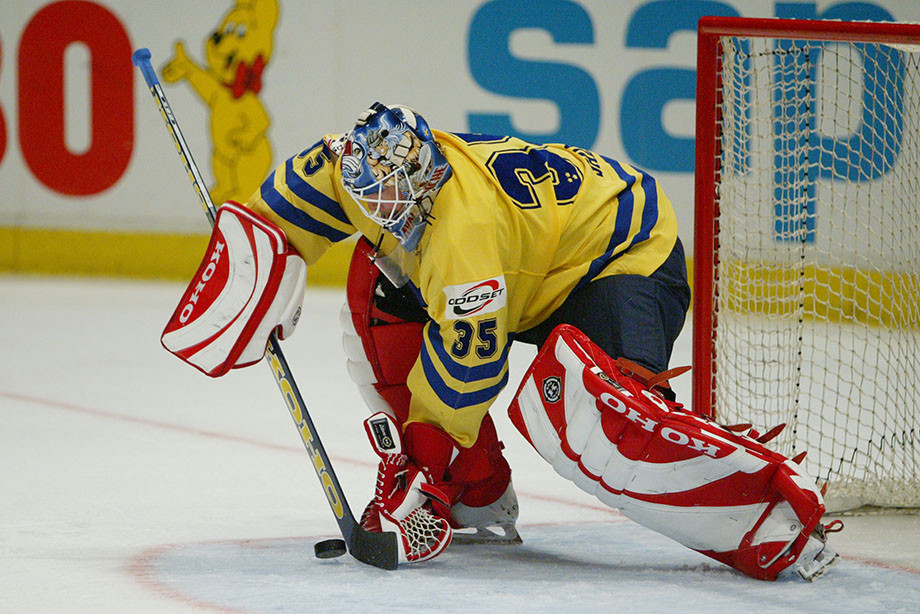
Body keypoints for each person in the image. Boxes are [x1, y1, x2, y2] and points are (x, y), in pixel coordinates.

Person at [161, 102, 839, 580]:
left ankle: (771, 512)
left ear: (427, 177)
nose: (381, 213)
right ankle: (474, 492)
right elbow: (276, 210)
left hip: (618, 254)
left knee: (589, 416)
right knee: (376, 294)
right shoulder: (358, 164)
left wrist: (417, 462)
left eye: (396, 198)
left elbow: (471, 361)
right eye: (370, 197)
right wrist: (250, 266)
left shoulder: (463, 234)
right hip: (531, 253)